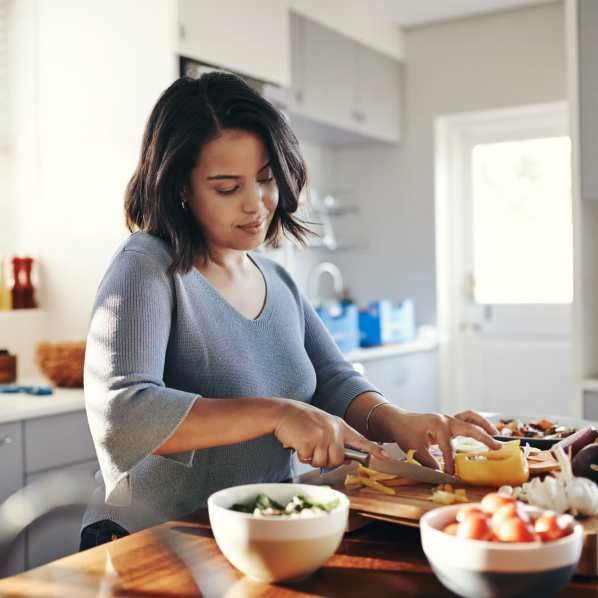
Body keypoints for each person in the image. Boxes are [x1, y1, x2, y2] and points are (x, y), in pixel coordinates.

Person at [80, 72, 500, 550]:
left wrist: (396, 422)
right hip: (152, 540)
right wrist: (277, 413)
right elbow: (122, 412)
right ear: (180, 187)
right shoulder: (145, 267)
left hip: (255, 534)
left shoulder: (275, 278)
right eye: (226, 187)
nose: (257, 205)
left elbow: (334, 381)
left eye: (265, 179)